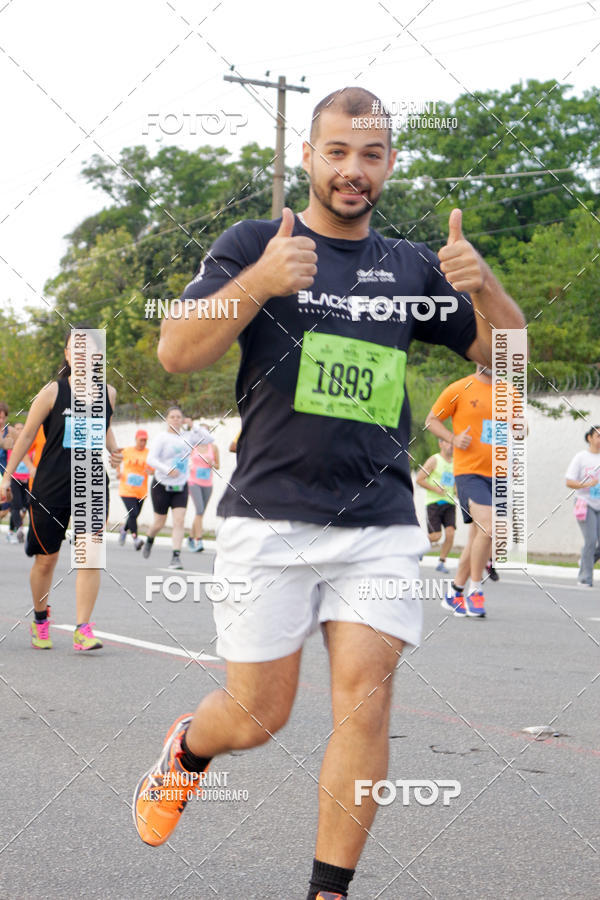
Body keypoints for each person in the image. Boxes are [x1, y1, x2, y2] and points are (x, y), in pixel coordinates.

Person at [133, 87, 525, 898]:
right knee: (257, 716)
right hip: (269, 517)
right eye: (338, 153)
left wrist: (484, 288)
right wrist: (264, 279)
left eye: (371, 155)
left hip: (379, 518)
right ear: (308, 157)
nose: (354, 170)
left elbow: (511, 363)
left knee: (366, 706)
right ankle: (189, 750)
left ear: (389, 165)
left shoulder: (414, 265)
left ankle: (328, 890)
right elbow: (177, 351)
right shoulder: (253, 242)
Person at [0, 330, 121, 650]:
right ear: (67, 355)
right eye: (76, 350)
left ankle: (84, 629)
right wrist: (6, 477)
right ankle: (40, 618)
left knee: (90, 557)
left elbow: (103, 427)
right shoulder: (53, 392)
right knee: (46, 560)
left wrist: (115, 449)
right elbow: (26, 437)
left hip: (92, 484)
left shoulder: (108, 393)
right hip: (52, 487)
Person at [142, 407, 213, 569]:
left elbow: (209, 439)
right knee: (159, 523)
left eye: (178, 417)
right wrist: (167, 470)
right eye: (172, 417)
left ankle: (175, 557)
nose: (175, 419)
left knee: (179, 521)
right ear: (167, 419)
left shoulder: (188, 437)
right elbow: (151, 459)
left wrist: (194, 426)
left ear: (182, 420)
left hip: (180, 485)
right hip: (161, 484)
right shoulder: (162, 438)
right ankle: (150, 538)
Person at [565, 425, 600, 587]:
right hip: (585, 504)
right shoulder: (581, 457)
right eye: (598, 436)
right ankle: (585, 578)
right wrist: (586, 484)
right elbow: (569, 481)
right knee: (591, 540)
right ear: (590, 438)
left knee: (592, 545)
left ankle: (587, 559)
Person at [415, 437, 456, 573]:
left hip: (449, 503)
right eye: (448, 442)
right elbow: (419, 479)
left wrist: (457, 491)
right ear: (440, 443)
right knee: (436, 536)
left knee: (450, 534)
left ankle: (442, 562)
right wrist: (435, 489)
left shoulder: (456, 463)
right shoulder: (434, 460)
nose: (451, 445)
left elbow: (455, 484)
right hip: (434, 503)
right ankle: (418, 547)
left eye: (453, 442)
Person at [116, 428, 152, 550]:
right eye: (141, 440)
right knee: (133, 513)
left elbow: (153, 469)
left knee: (134, 515)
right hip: (127, 489)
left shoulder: (149, 453)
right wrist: (118, 472)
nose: (143, 442)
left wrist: (150, 471)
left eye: (145, 440)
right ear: (136, 439)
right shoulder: (127, 451)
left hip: (141, 491)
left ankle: (123, 529)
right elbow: (116, 457)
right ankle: (136, 539)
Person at [187, 425, 220, 552]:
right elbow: (184, 461)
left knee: (199, 513)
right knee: (199, 510)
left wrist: (213, 464)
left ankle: (190, 537)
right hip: (194, 482)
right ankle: (198, 540)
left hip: (207, 483)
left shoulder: (213, 448)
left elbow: (218, 466)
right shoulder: (193, 447)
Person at [6, 423, 35, 543]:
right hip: (14, 478)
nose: (18, 431)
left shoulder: (30, 443)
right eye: (16, 429)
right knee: (15, 505)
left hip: (27, 479)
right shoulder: (9, 443)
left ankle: (11, 530)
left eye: (21, 429)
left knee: (27, 506)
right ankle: (19, 529)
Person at [0, 401, 15, 526]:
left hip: (5, 470)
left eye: (3, 418)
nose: (1, 420)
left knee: (7, 506)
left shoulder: (10, 430)